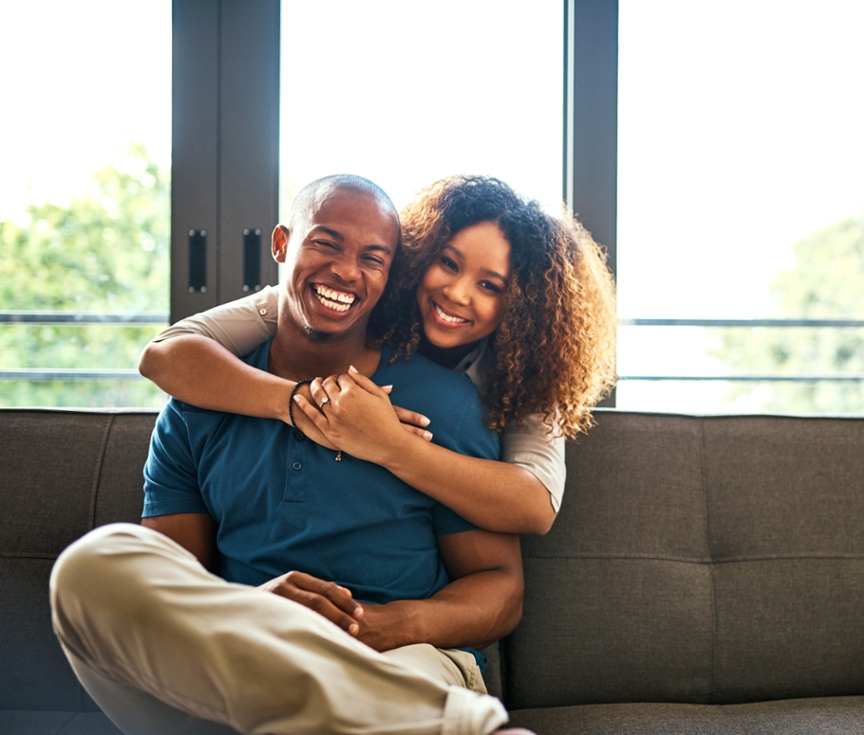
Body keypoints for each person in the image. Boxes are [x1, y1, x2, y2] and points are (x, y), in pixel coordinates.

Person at [50, 175, 528, 735]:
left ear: (389, 276)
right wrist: (254, 611)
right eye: (326, 243)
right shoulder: (202, 399)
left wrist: (386, 624)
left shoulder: (442, 403)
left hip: (394, 657)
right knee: (93, 564)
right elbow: (176, 579)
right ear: (282, 245)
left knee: (371, 689)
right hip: (239, 653)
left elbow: (500, 585)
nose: (347, 271)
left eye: (373, 258)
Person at [138, 175, 617, 535]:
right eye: (447, 264)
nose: (456, 292)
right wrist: (306, 405)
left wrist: (389, 443)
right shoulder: (349, 296)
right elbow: (164, 356)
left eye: (490, 285)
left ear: (525, 306)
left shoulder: (529, 372)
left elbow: (534, 507)